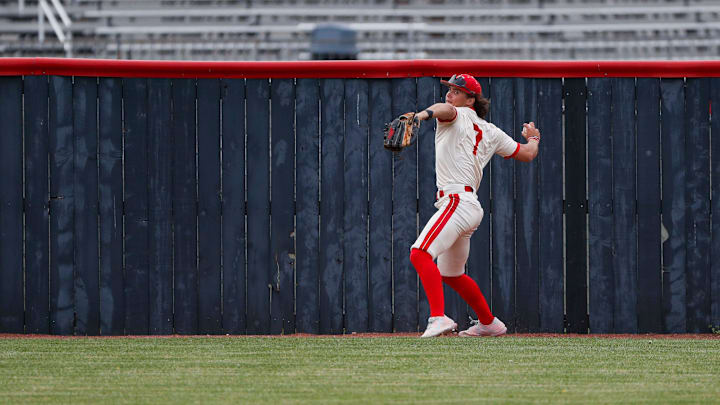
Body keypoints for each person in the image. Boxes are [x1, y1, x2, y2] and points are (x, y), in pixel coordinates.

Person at [409, 74, 540, 338]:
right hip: (469, 206)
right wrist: (534, 138)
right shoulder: (491, 131)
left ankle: (438, 317)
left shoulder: (455, 114)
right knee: (451, 274)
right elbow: (527, 154)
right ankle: (489, 323)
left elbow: (443, 109)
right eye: (449, 89)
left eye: (457, 91)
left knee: (419, 254)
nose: (450, 95)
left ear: (471, 99)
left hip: (456, 201)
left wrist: (421, 115)